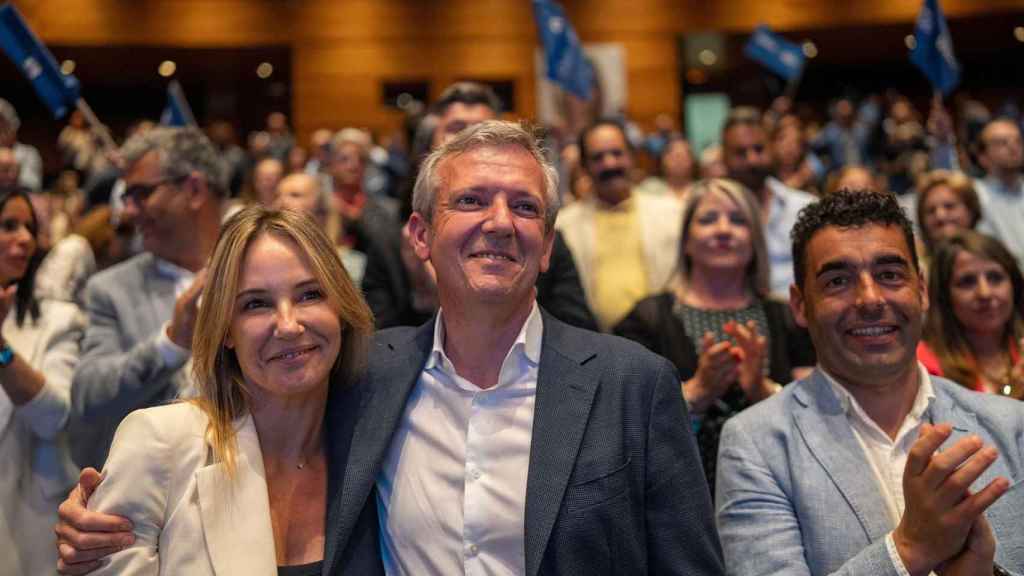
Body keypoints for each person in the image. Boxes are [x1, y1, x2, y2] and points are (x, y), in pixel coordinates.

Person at [57, 121, 725, 576]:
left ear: (548, 245)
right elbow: (239, 420)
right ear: (420, 235)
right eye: (471, 200)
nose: (499, 223)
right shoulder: (367, 377)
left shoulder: (633, 384)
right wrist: (103, 520)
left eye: (525, 208)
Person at [715, 190, 1024, 575]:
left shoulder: (1010, 426)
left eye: (890, 275)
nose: (870, 298)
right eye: (838, 281)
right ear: (799, 304)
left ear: (922, 290)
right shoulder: (756, 443)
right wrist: (908, 550)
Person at [84, 206, 374, 574]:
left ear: (342, 308)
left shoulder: (380, 447)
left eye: (309, 295)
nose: (288, 325)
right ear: (225, 331)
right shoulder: (159, 444)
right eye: (256, 304)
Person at [614, 178, 815, 492]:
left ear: (755, 240)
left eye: (738, 220)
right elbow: (623, 421)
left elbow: (816, 422)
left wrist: (762, 391)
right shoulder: (647, 321)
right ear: (686, 241)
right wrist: (696, 393)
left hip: (777, 492)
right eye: (708, 220)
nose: (723, 230)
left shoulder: (789, 318)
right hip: (678, 499)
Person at [361, 81, 596, 332]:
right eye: (457, 129)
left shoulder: (541, 239)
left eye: (483, 130)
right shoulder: (389, 242)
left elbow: (579, 339)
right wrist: (425, 298)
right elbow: (377, 345)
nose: (471, 140)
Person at [68, 126, 227, 469]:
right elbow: (88, 397)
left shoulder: (259, 272)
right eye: (127, 197)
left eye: (141, 194)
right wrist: (170, 344)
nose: (128, 211)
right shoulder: (111, 290)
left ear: (195, 189)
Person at [0, 186, 85, 575]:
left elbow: (54, 418)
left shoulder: (57, 320)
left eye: (29, 228)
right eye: (8, 225)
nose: (25, 238)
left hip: (24, 524)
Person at [557, 118, 683, 330]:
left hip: (663, 341)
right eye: (598, 157)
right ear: (585, 166)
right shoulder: (565, 225)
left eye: (617, 153)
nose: (610, 164)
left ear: (632, 157)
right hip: (593, 343)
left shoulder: (672, 214)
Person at [722, 107, 816, 297]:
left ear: (771, 148)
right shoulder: (715, 220)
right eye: (740, 153)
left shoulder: (806, 208)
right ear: (724, 157)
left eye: (759, 149)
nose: (752, 160)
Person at [919, 231, 1024, 399]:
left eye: (995, 278)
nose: (985, 293)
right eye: (967, 281)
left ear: (1014, 285)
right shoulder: (925, 367)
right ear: (944, 296)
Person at [275, 172, 367, 286]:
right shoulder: (268, 259)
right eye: (277, 195)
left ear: (320, 209)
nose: (281, 202)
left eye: (295, 195)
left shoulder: (348, 264)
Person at [973, 118, 1024, 263]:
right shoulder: (975, 194)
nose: (1013, 147)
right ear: (982, 157)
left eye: (1018, 141)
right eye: (1002, 142)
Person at [914, 169, 981, 257]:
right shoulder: (916, 265)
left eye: (949, 206)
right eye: (931, 210)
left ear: (971, 210)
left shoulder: (993, 257)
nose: (940, 216)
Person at [0, 99, 43, 192]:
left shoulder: (28, 153)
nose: (2, 133)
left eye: (5, 127)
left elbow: (33, 184)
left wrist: (13, 171)